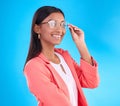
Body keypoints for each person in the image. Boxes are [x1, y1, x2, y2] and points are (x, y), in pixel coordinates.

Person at [24, 6, 99, 106]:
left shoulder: (64, 57)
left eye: (62, 24)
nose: (60, 29)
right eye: (52, 23)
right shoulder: (33, 66)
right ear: (37, 28)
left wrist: (80, 44)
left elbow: (91, 82)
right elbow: (57, 102)